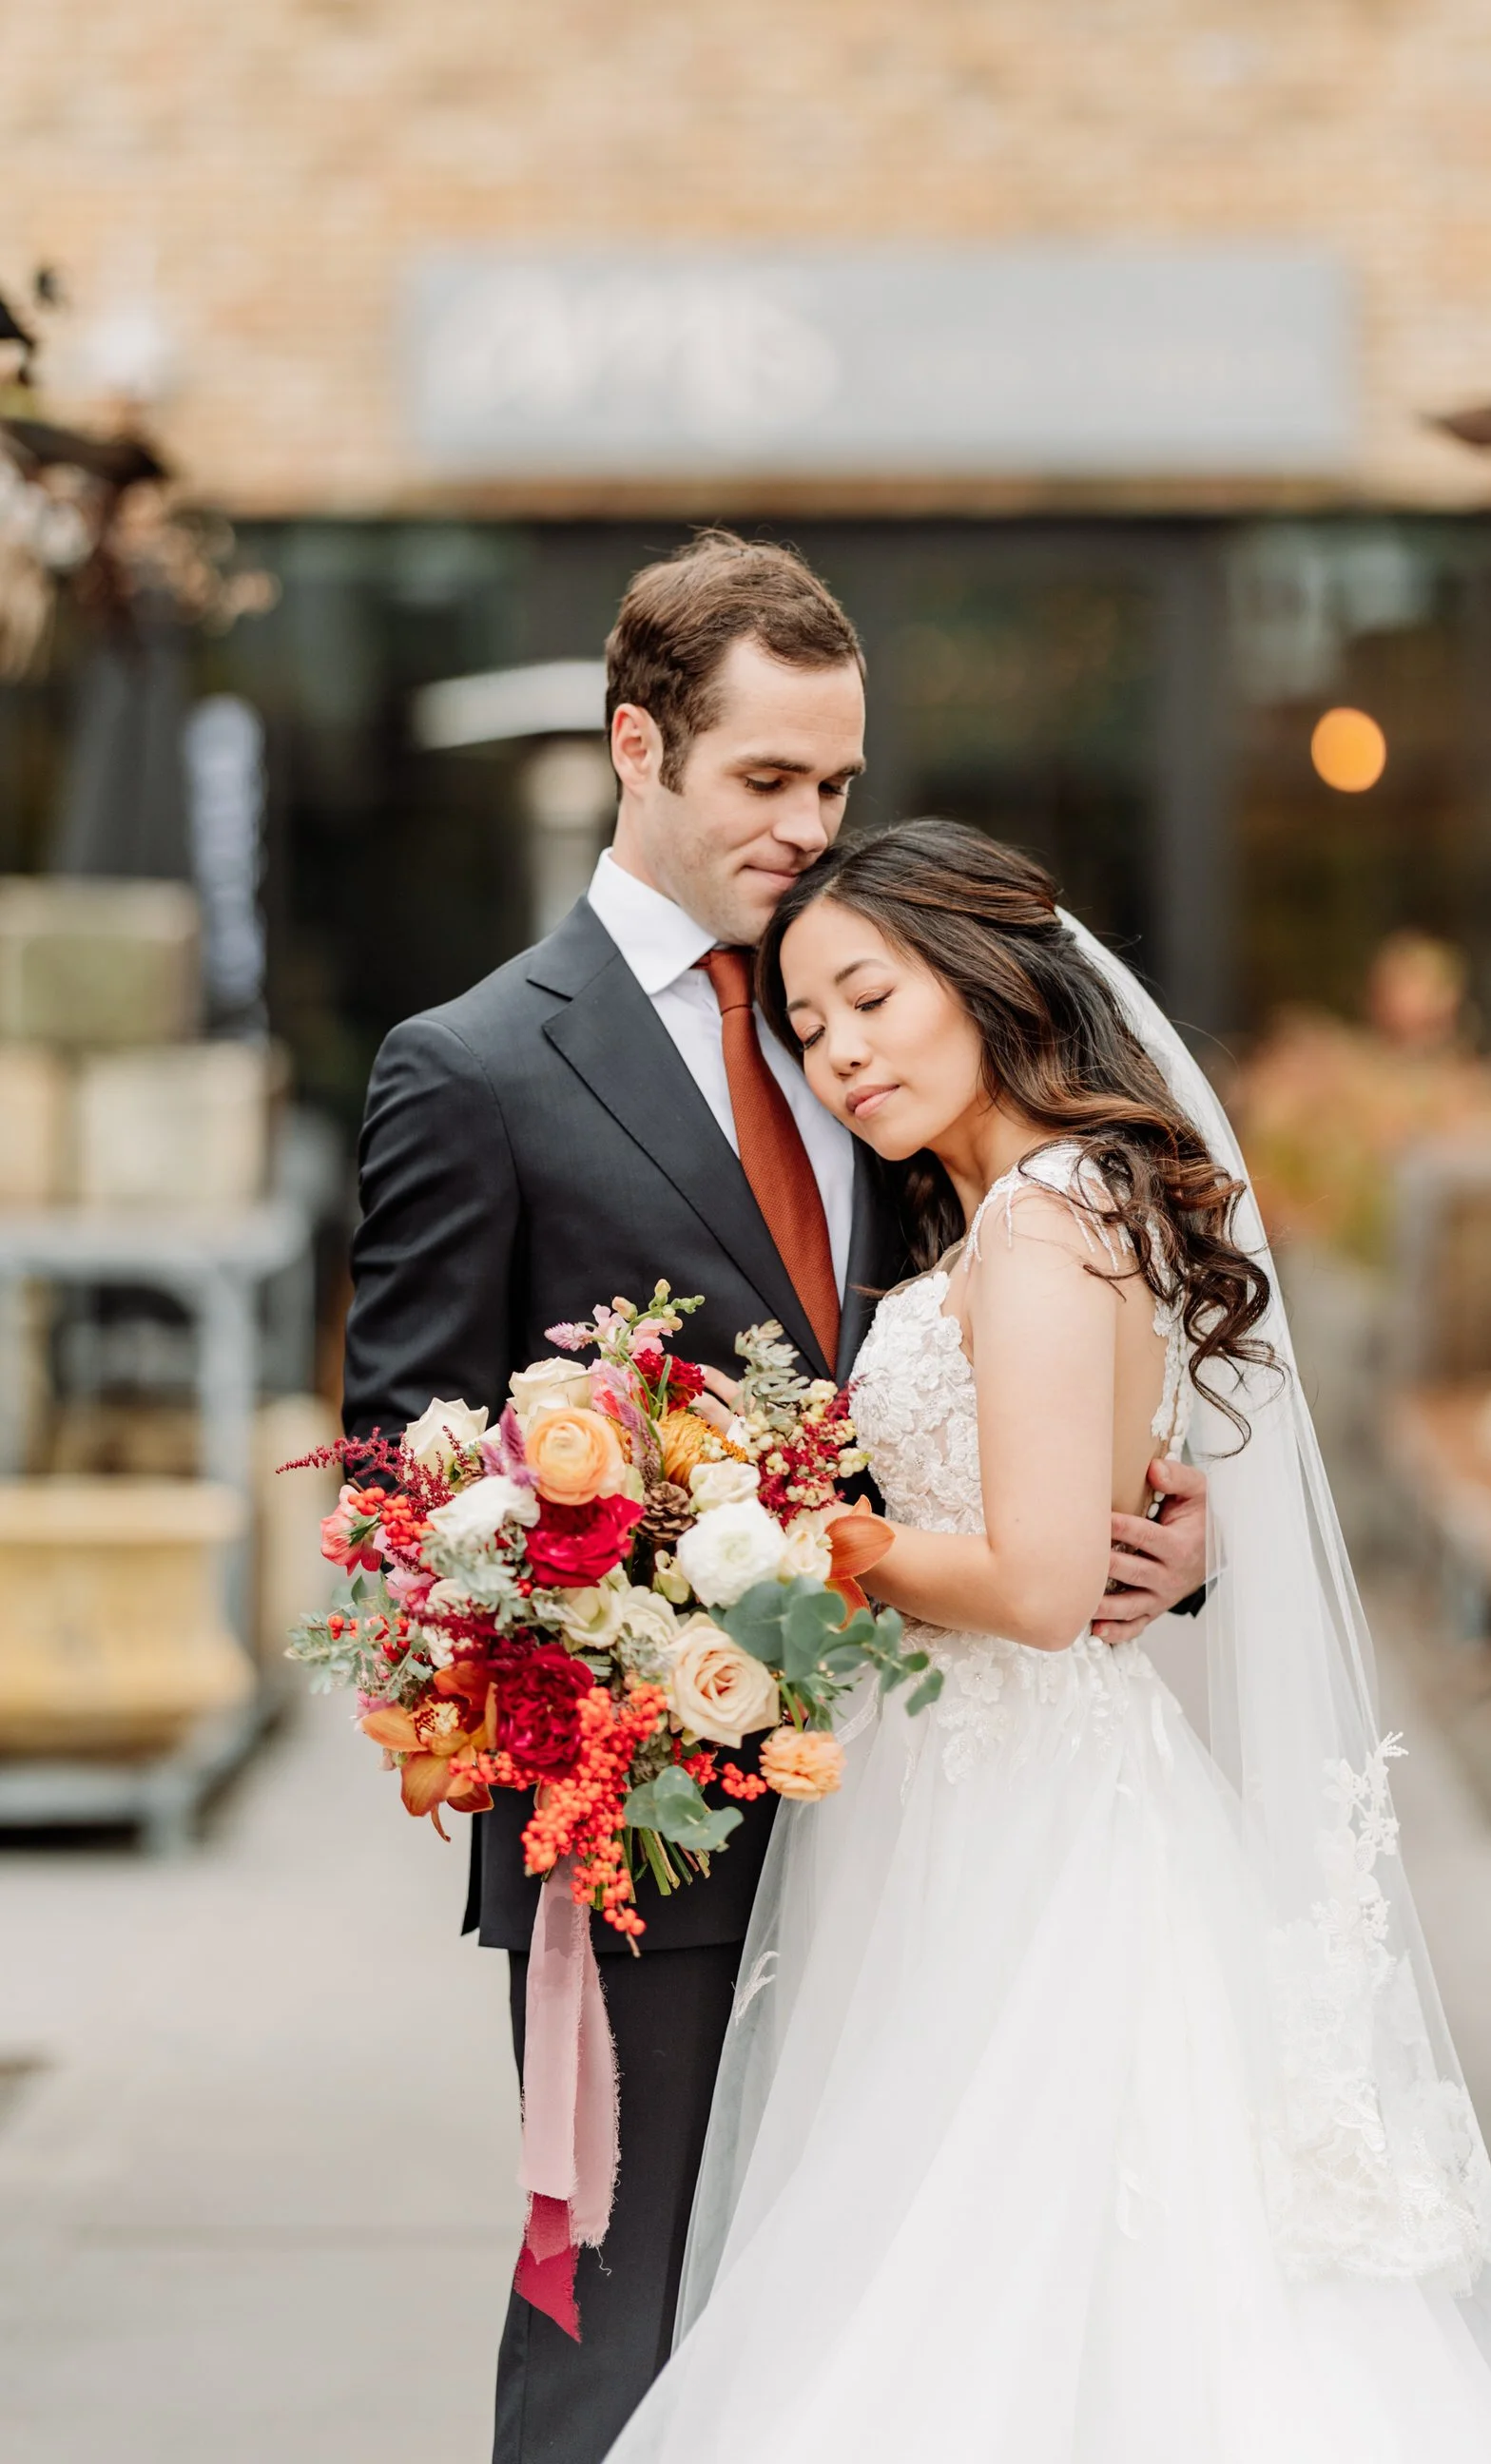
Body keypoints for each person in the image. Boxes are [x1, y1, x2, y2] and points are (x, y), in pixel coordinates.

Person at [604, 819, 1491, 2464]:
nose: (844, 1052)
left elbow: (1033, 1582)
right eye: (809, 1030)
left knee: (1025, 2262)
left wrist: (802, 1537)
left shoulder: (1037, 1217)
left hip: (1024, 1810)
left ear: (982, 971)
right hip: (959, 1785)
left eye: (869, 998)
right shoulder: (1020, 1213)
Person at [340, 535, 1210, 2463]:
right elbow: (400, 1492)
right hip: (652, 1819)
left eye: (837, 783)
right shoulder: (469, 1068)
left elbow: (1004, 1365)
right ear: (638, 745)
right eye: (767, 783)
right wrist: (630, 1627)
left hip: (939, 1814)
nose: (811, 826)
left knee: (889, 2334)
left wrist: (1157, 1529)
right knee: (623, 2325)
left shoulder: (880, 1030)